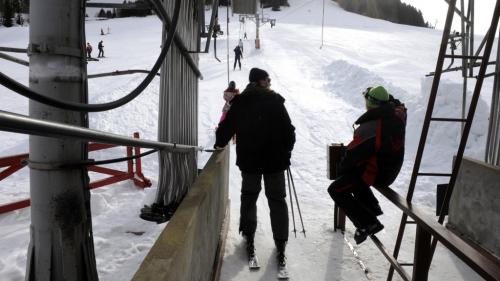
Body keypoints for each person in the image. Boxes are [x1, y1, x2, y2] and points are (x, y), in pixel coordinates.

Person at [215, 68, 295, 269]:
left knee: (249, 197)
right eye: (267, 79)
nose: (269, 82)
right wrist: (286, 153)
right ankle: (281, 243)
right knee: (277, 200)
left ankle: (249, 237)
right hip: (275, 163)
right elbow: (290, 132)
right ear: (260, 82)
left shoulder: (240, 102)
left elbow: (225, 130)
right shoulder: (275, 101)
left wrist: (219, 143)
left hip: (250, 162)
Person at [328, 86, 407, 244]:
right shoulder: (398, 114)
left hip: (377, 173)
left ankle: (367, 223)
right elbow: (398, 103)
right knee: (354, 178)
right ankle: (372, 209)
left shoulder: (370, 127)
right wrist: (384, 97)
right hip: (391, 168)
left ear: (369, 103)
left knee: (336, 189)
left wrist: (342, 170)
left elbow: (353, 155)